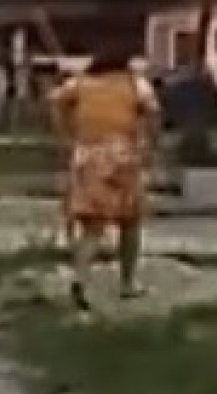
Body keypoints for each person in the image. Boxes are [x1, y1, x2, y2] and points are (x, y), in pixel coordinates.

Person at [51, 49, 160, 309]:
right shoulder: (134, 83)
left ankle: (81, 278)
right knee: (130, 222)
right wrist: (151, 142)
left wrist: (66, 135)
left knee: (92, 225)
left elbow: (56, 101)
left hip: (87, 156)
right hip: (122, 156)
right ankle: (127, 283)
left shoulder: (81, 82)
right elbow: (153, 111)